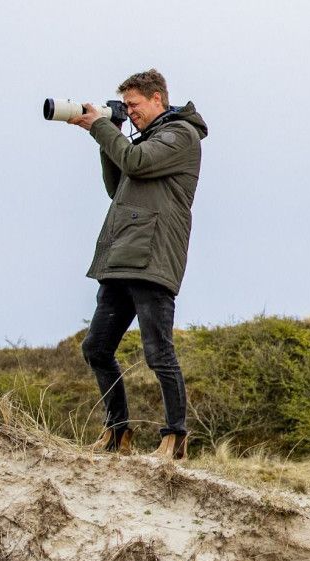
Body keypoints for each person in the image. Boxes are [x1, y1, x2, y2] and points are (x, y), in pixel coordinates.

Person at [67, 69, 209, 461]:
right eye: (125, 107)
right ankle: (117, 433)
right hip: (122, 256)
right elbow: (119, 186)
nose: (129, 113)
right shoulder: (146, 138)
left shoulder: (181, 135)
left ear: (157, 99)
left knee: (157, 352)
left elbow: (136, 162)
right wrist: (105, 135)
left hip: (153, 258)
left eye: (134, 105)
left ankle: (175, 436)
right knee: (96, 347)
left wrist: (101, 128)